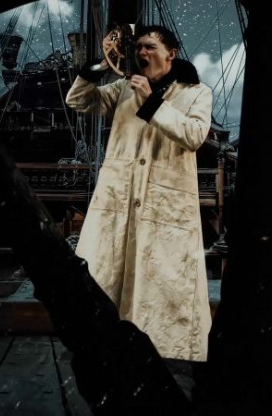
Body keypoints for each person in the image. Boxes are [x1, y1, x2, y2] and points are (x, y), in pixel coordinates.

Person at [65, 25, 212, 362]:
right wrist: (98, 67)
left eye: (150, 47)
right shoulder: (123, 88)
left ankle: (163, 358)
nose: (141, 53)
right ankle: (107, 349)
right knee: (108, 274)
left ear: (171, 53)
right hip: (119, 199)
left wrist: (151, 100)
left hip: (165, 203)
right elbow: (79, 100)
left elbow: (193, 136)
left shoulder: (197, 92)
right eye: (138, 48)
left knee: (162, 283)